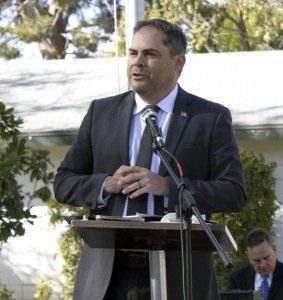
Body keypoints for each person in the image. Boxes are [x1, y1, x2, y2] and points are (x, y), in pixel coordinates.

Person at [54, 19, 246, 300]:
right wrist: (106, 184)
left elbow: (233, 192)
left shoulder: (209, 118)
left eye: (150, 54)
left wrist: (168, 186)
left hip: (181, 276)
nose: (138, 62)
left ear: (178, 63)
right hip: (107, 277)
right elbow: (63, 182)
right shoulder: (101, 113)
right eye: (133, 53)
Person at [228, 228, 283, 300]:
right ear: (248, 256)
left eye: (266, 258)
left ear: (274, 249)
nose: (263, 264)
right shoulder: (237, 279)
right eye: (257, 260)